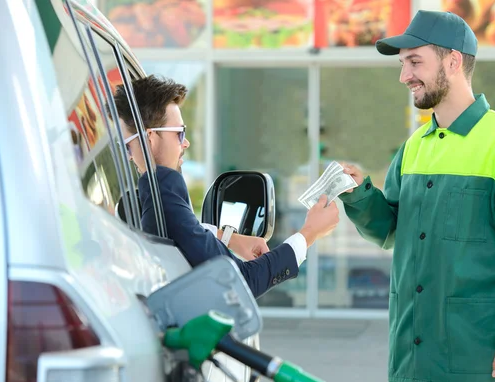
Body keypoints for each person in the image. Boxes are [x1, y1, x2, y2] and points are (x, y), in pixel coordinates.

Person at [339, 10, 495, 382]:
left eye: (414, 62)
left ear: (453, 62)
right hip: (411, 362)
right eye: (402, 64)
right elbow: (391, 229)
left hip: (481, 366)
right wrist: (359, 193)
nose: (404, 76)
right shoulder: (414, 147)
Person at [112, 75, 339, 298]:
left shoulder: (152, 197)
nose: (186, 142)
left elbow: (184, 234)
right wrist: (309, 233)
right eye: (180, 133)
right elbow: (241, 282)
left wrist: (229, 238)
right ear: (150, 139)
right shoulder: (164, 196)